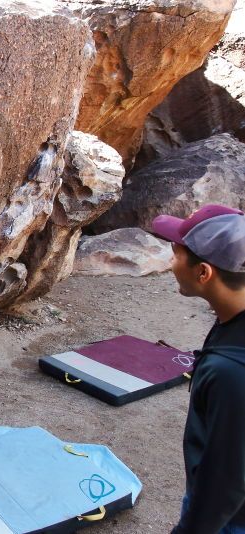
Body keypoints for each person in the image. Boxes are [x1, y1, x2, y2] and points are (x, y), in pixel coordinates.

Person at [151, 204, 245, 534]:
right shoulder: (233, 320)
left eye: (176, 255)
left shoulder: (231, 372)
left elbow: (226, 481)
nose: (171, 264)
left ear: (203, 273)